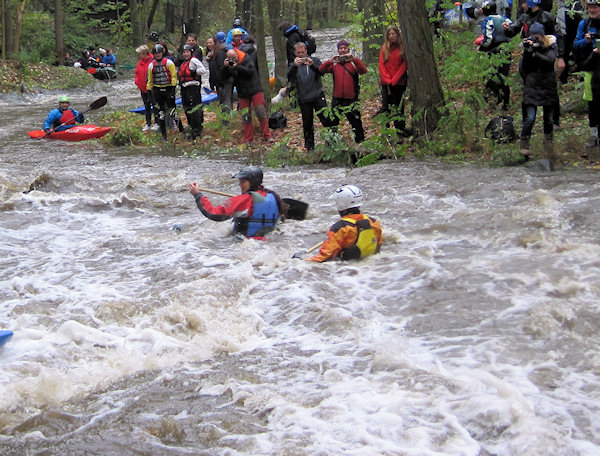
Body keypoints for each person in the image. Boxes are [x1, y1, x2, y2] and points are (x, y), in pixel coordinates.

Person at [189, 166, 286, 239]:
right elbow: (281, 218)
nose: (240, 184)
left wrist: (197, 195)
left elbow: (213, 213)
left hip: (246, 245)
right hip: (268, 243)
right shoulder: (273, 197)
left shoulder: (244, 200)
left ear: (253, 182)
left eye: (243, 182)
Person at [308, 185, 382, 262]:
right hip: (370, 267)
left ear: (341, 206)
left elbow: (326, 256)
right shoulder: (374, 222)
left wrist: (304, 261)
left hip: (347, 269)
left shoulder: (340, 228)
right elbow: (379, 245)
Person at [518, 22, 559, 157]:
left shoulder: (551, 45)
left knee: (549, 119)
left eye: (538, 36)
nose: (536, 38)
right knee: (530, 118)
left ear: (542, 35)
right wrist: (528, 51)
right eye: (533, 35)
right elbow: (523, 68)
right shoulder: (529, 48)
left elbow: (549, 61)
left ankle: (548, 147)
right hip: (532, 86)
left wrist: (536, 53)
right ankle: (524, 144)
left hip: (548, 86)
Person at [319, 40, 368, 145]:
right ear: (338, 50)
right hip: (337, 98)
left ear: (348, 49)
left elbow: (363, 71)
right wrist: (330, 61)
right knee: (333, 122)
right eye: (340, 48)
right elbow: (321, 69)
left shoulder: (353, 63)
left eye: (345, 48)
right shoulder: (334, 64)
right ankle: (332, 143)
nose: (343, 50)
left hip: (351, 98)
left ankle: (360, 143)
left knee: (356, 122)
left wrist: (354, 59)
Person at [222, 48, 273, 143]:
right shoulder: (229, 65)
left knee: (261, 113)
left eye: (233, 58)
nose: (233, 60)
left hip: (254, 90)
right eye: (230, 58)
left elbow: (250, 72)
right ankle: (248, 138)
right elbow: (223, 77)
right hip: (242, 93)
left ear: (237, 55)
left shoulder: (246, 59)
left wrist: (237, 67)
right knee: (246, 116)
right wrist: (226, 67)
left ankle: (267, 135)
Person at [288, 42, 331, 152]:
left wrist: (312, 65)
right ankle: (309, 147)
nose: (301, 55)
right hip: (304, 97)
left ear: (306, 51)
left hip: (317, 95)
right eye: (299, 53)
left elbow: (322, 72)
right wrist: (294, 66)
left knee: (326, 119)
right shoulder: (293, 64)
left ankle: (332, 142)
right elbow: (289, 78)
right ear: (295, 53)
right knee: (307, 123)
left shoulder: (315, 60)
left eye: (303, 52)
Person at [573, 0, 600, 153]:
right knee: (592, 103)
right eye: (590, 7)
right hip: (590, 67)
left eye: (595, 7)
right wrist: (587, 40)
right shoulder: (584, 24)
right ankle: (593, 135)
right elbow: (576, 45)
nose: (592, 10)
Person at [479, 1, 513, 110]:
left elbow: (488, 38)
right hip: (506, 50)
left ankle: (498, 95)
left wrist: (482, 47)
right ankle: (506, 102)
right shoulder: (506, 19)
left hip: (493, 51)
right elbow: (511, 33)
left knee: (488, 76)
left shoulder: (488, 20)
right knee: (503, 76)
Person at [378, 25, 409, 137]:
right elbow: (381, 65)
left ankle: (400, 131)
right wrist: (388, 80)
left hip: (399, 83)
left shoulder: (403, 47)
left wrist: (395, 79)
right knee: (386, 107)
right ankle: (385, 133)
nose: (391, 36)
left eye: (393, 34)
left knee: (399, 108)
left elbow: (404, 64)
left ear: (397, 34)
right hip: (387, 84)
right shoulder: (384, 48)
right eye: (389, 34)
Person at [147, 43, 178, 140]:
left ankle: (181, 130)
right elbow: (150, 80)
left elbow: (174, 77)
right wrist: (149, 91)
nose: (158, 55)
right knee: (161, 113)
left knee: (173, 112)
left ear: (162, 53)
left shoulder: (169, 63)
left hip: (168, 90)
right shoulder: (151, 66)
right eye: (156, 53)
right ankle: (164, 135)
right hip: (158, 91)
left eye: (159, 53)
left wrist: (172, 90)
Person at [179, 44, 208, 140]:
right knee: (187, 109)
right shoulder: (184, 62)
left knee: (194, 109)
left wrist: (194, 72)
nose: (185, 54)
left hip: (193, 88)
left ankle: (197, 130)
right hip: (185, 88)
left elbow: (203, 70)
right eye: (184, 52)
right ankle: (192, 127)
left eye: (187, 52)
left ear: (190, 52)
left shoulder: (194, 60)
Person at [135, 44, 158, 132]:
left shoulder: (153, 61)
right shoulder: (139, 63)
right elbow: (137, 73)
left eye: (140, 54)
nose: (139, 56)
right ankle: (148, 123)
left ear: (145, 53)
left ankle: (157, 122)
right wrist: (137, 82)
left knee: (155, 105)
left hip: (152, 88)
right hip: (142, 89)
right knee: (147, 106)